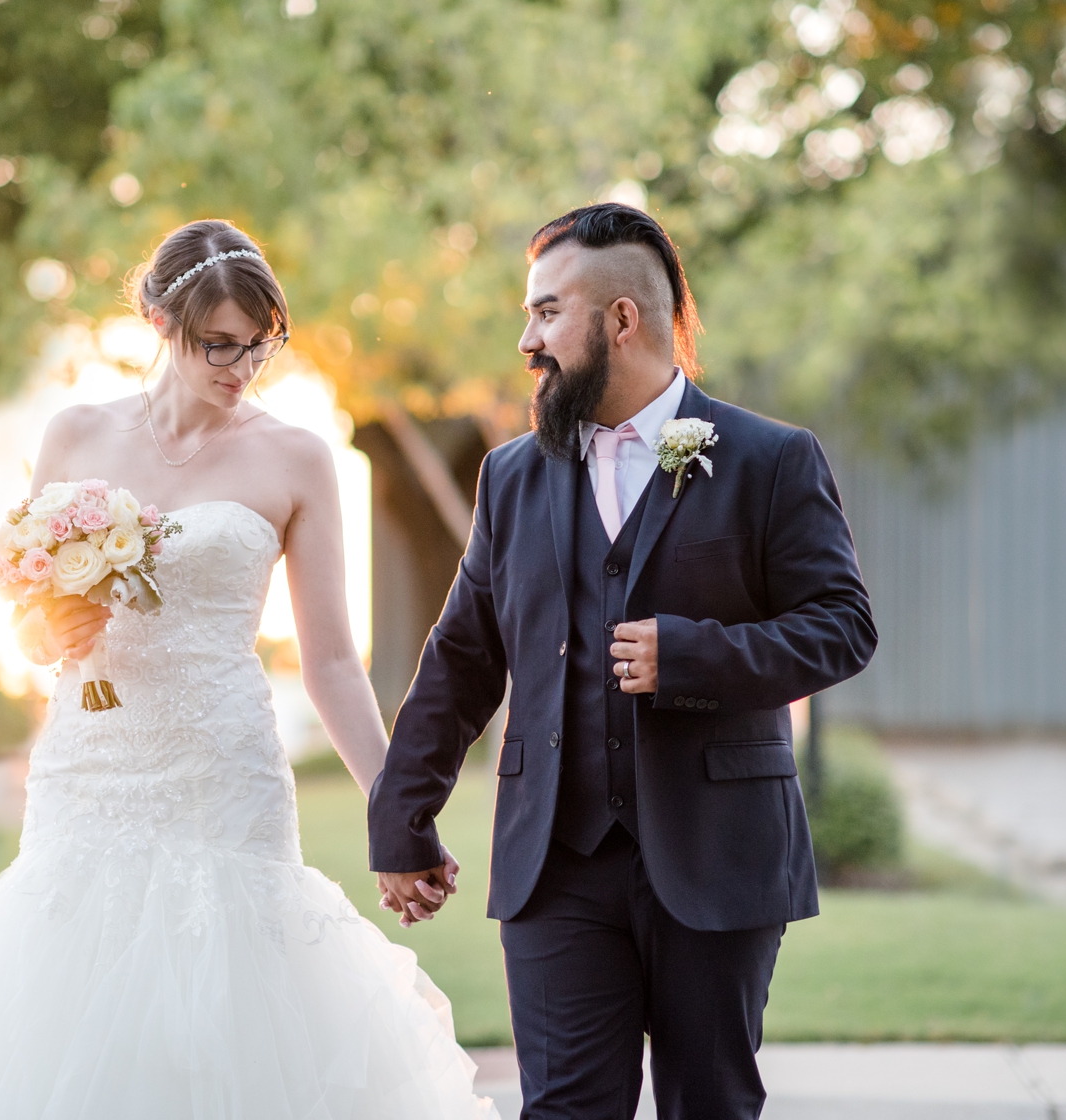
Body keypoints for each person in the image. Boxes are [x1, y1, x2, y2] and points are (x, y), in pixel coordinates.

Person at [0, 219, 495, 1120]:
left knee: (232, 1011)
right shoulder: (74, 435)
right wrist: (47, 627)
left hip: (223, 773)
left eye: (260, 348)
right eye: (219, 344)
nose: (240, 368)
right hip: (89, 769)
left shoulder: (295, 457)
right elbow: (29, 626)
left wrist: (393, 814)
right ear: (157, 319)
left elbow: (330, 659)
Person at [368, 203, 876, 1120]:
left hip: (717, 852)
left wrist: (695, 655)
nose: (527, 338)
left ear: (622, 321)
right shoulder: (511, 475)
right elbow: (463, 656)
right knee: (563, 1107)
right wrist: (402, 814)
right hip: (555, 862)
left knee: (710, 1104)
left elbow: (844, 626)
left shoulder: (769, 460)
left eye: (546, 313)